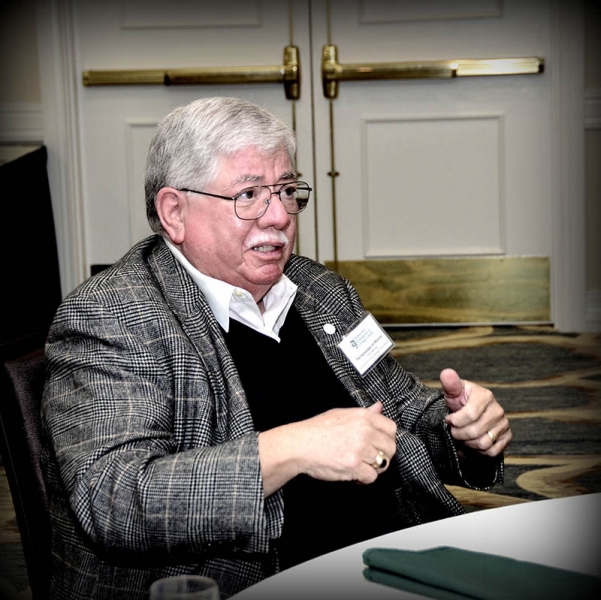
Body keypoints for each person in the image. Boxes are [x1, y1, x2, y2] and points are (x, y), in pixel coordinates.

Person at [41, 96, 512, 600]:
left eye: (286, 191)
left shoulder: (319, 290)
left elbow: (402, 413)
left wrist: (460, 430)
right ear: (174, 212)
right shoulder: (113, 315)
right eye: (248, 195)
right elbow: (116, 500)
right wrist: (294, 447)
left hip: (392, 560)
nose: (279, 216)